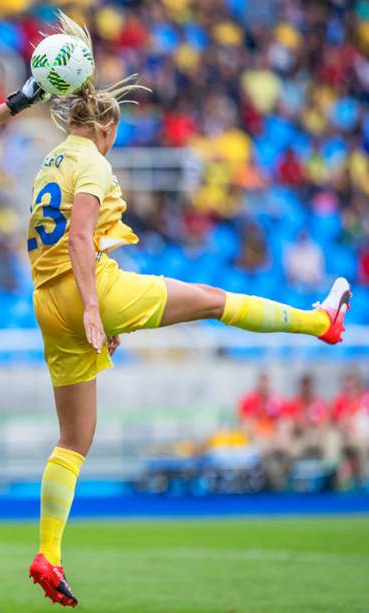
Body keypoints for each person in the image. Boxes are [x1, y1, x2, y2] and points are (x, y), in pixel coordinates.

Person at [25, 12, 352, 607]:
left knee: (74, 439)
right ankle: (319, 322)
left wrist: (90, 315)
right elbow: (78, 238)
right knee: (213, 301)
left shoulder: (50, 162)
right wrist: (98, 311)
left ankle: (48, 552)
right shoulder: (94, 162)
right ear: (109, 126)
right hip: (85, 288)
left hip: (47, 301)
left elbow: (55, 241)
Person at [237, 372, 289, 490]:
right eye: (262, 382)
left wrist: (277, 438)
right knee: (263, 448)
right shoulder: (249, 401)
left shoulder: (277, 401)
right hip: (259, 438)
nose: (264, 386)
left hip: (274, 440)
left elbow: (285, 422)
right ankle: (271, 482)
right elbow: (246, 425)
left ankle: (278, 481)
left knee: (283, 443)